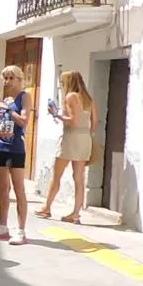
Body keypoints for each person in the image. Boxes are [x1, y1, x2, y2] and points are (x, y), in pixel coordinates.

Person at [36, 70, 97, 223]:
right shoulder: (88, 99)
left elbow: (72, 120)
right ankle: (76, 213)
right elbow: (95, 121)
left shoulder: (71, 97)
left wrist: (55, 114)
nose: (62, 85)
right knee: (79, 178)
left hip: (71, 137)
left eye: (63, 82)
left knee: (57, 174)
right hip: (85, 138)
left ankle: (47, 207)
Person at [0, 65, 32, 244]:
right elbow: (2, 122)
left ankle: (21, 230)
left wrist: (8, 110)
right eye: (5, 78)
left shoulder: (24, 96)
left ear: (19, 79)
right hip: (1, 145)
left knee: (18, 188)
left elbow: (24, 120)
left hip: (17, 148)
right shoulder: (6, 98)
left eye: (12, 78)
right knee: (3, 188)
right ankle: (3, 226)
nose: (8, 82)